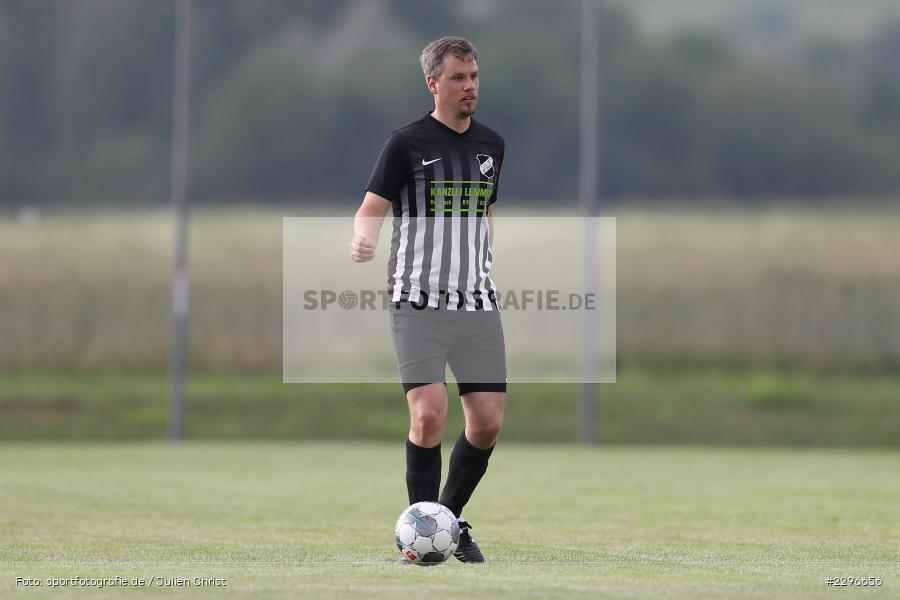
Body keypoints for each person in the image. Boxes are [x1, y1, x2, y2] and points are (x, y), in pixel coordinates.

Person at [349, 36, 506, 564]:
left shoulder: (492, 146)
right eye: (459, 78)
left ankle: (446, 522)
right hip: (418, 301)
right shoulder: (407, 143)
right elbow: (372, 205)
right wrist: (364, 237)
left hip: (477, 303)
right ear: (433, 83)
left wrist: (484, 251)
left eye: (475, 77)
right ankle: (423, 539)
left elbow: (484, 211)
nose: (470, 87)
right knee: (429, 415)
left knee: (486, 421)